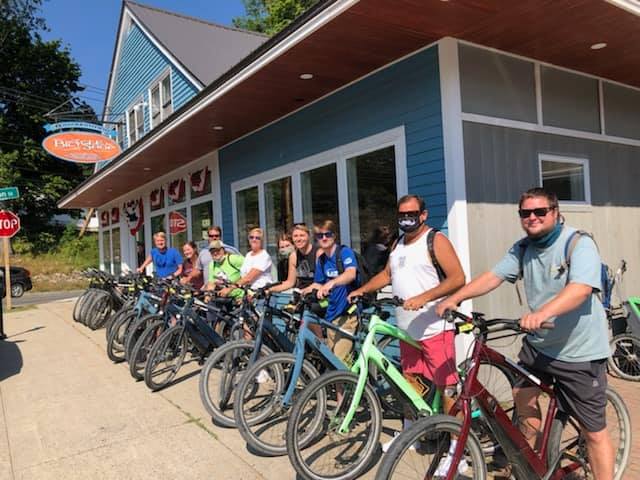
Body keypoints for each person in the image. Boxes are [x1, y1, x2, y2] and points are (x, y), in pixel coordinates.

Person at [436, 187, 614, 480]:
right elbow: (493, 276)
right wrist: (455, 298)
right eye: (525, 213)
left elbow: (580, 289)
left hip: (580, 352)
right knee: (523, 399)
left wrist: (543, 313)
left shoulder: (578, 244)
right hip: (539, 347)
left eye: (540, 211)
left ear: (555, 213)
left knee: (593, 433)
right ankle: (527, 467)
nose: (532, 217)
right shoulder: (522, 248)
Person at [348, 194, 466, 456]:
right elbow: (387, 275)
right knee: (410, 384)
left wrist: (424, 298)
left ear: (423, 215)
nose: (406, 219)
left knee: (447, 389)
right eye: (402, 215)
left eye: (412, 214)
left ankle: (457, 450)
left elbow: (458, 278)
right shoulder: (398, 243)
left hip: (435, 329)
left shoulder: (435, 240)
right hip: (407, 329)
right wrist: (363, 290)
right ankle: (411, 434)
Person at [302, 220, 360, 363]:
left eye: (328, 234)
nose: (324, 238)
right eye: (320, 236)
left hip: (347, 314)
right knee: (332, 361)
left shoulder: (344, 252)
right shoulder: (322, 259)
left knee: (340, 362)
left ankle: (349, 384)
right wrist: (304, 291)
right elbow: (318, 283)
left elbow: (351, 273)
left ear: (335, 236)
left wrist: (332, 283)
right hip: (331, 316)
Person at [270, 223, 319, 292]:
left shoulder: (318, 253)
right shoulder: (294, 256)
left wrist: (303, 291)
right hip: (301, 294)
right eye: (295, 236)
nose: (298, 239)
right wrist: (270, 290)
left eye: (302, 235)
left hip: (317, 293)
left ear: (308, 236)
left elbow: (320, 282)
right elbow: (290, 282)